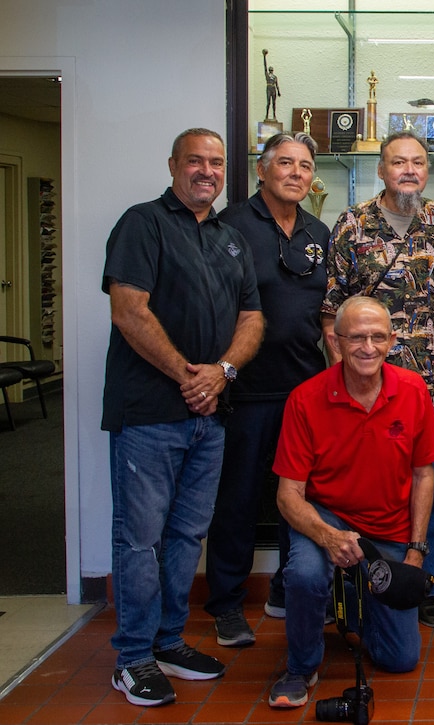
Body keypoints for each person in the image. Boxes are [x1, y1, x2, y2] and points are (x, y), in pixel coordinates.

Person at [102, 128, 264, 707]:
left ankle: (169, 641)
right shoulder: (141, 224)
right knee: (140, 540)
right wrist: (186, 375)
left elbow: (252, 317)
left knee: (186, 535)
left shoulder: (230, 238)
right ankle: (133, 658)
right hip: (149, 415)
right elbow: (129, 311)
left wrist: (219, 373)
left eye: (216, 163)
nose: (207, 171)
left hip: (210, 415)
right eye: (195, 160)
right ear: (173, 165)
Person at [322, 130, 434, 628]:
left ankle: (422, 585)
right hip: (364, 382)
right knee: (364, 488)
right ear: (381, 170)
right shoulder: (352, 224)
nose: (409, 170)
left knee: (427, 488)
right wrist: (338, 373)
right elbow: (330, 311)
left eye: (418, 163)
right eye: (398, 163)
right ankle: (362, 584)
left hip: (430, 381)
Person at [268, 297, 434, 708]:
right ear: (335, 341)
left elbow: (424, 476)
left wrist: (415, 553)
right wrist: (329, 537)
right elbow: (288, 494)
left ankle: (355, 610)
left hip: (389, 527)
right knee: (307, 573)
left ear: (393, 341)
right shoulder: (305, 399)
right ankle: (301, 666)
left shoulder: (414, 389)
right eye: (356, 338)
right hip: (326, 516)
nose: (368, 347)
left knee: (400, 659)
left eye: (378, 337)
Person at [202, 132, 330, 647]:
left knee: (297, 497)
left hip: (304, 389)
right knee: (238, 499)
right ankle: (227, 605)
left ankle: (285, 587)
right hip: (246, 389)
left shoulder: (318, 230)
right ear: (261, 170)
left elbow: (326, 311)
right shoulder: (229, 226)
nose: (296, 173)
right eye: (285, 163)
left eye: (304, 165)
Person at [263, 49, 280, 121]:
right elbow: (265, 66)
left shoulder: (275, 77)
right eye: (270, 70)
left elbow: (277, 85)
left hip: (273, 89)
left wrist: (278, 91)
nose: (271, 71)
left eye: (271, 70)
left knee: (274, 103)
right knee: (268, 103)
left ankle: (274, 115)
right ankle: (266, 115)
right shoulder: (267, 75)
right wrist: (264, 57)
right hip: (269, 87)